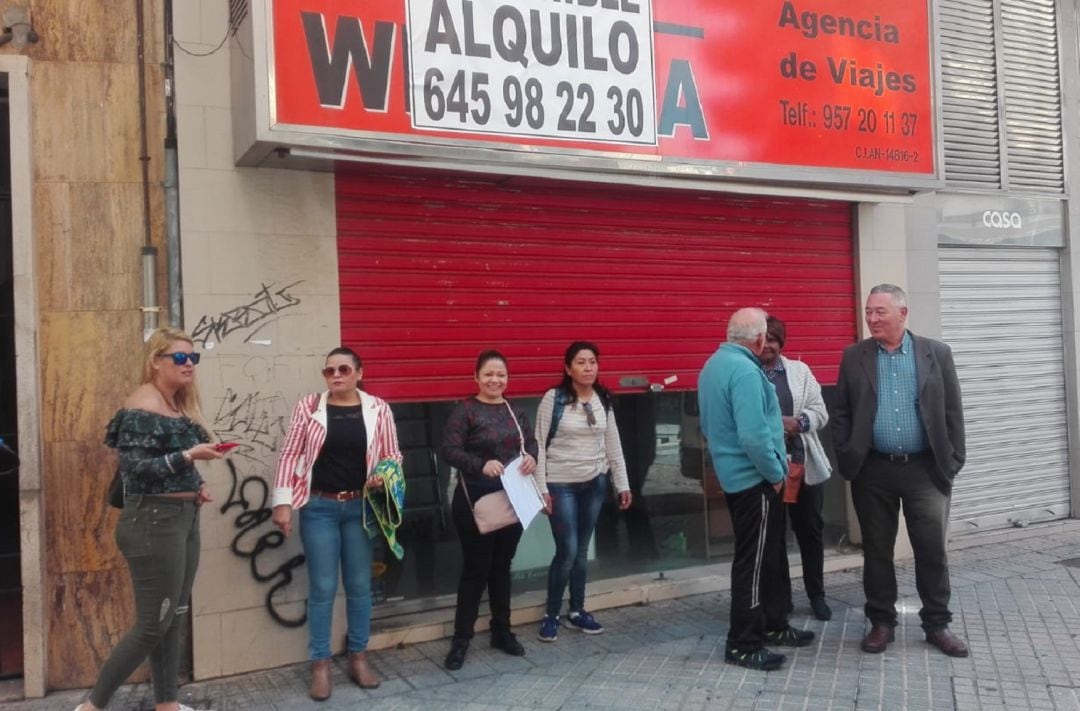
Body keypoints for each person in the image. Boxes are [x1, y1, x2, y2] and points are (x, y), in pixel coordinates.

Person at [76, 327, 222, 711]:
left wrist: (196, 487)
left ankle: (167, 704)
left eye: (193, 357)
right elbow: (136, 470)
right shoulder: (143, 404)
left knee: (173, 615)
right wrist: (190, 457)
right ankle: (90, 707)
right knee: (151, 624)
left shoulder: (175, 404)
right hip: (153, 522)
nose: (189, 363)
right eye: (179, 357)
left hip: (181, 518)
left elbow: (169, 462)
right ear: (155, 361)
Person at [832, 284, 968, 657]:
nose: (872, 319)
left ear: (902, 313)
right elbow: (840, 412)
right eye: (869, 311)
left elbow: (953, 411)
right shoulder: (854, 356)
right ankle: (881, 622)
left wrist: (953, 460)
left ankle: (937, 625)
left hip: (926, 470)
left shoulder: (935, 353)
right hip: (872, 471)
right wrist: (848, 458)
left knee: (932, 551)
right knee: (877, 550)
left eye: (880, 312)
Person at [271, 347, 402, 701]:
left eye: (344, 369)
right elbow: (291, 454)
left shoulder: (378, 409)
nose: (336, 375)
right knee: (323, 588)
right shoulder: (309, 407)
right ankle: (321, 663)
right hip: (318, 507)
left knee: (360, 585)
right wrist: (282, 503)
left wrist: (382, 475)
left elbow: (393, 454)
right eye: (329, 371)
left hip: (361, 508)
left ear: (359, 372)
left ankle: (358, 657)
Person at [697, 308, 814, 671]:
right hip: (755, 481)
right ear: (759, 338)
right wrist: (776, 475)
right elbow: (753, 436)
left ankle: (775, 624)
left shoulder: (713, 365)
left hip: (738, 478)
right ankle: (744, 643)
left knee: (771, 556)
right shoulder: (746, 371)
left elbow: (711, 424)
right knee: (754, 562)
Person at [441, 350, 540, 670]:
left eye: (501, 375)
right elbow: (449, 450)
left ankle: (502, 631)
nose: (495, 380)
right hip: (475, 502)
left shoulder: (514, 410)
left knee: (502, 566)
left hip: (512, 500)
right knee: (476, 569)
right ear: (477, 377)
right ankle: (461, 639)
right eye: (488, 375)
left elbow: (531, 443)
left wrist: (532, 458)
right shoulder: (465, 411)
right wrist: (480, 464)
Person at [534, 341, 632, 642]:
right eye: (581, 362)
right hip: (560, 484)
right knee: (567, 551)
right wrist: (541, 489)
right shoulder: (555, 398)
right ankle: (551, 614)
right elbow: (538, 443)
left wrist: (622, 483)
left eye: (592, 362)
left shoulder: (603, 398)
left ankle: (576, 611)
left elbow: (613, 442)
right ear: (568, 368)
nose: (588, 367)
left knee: (581, 551)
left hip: (595, 484)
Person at [760, 316, 833, 621]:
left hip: (802, 464)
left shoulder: (800, 371)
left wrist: (799, 423)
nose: (769, 346)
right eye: (764, 340)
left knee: (810, 531)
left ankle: (817, 595)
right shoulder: (747, 373)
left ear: (782, 343)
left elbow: (820, 411)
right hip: (767, 468)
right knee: (774, 537)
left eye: (774, 340)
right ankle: (782, 600)